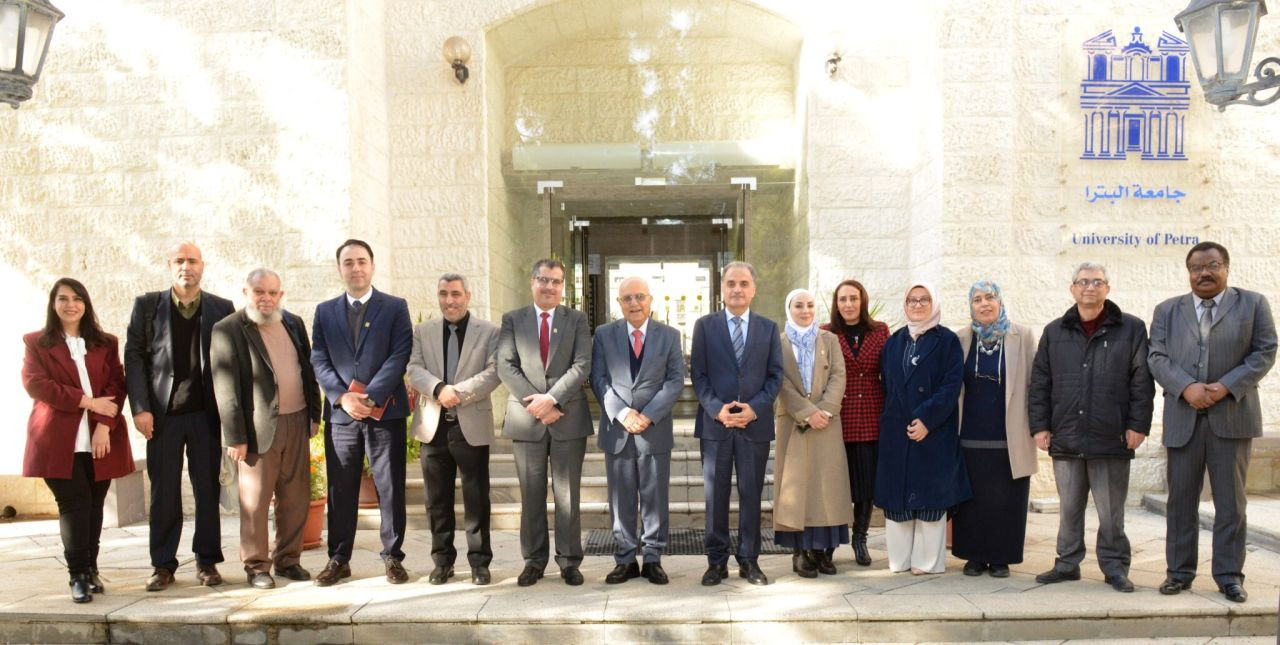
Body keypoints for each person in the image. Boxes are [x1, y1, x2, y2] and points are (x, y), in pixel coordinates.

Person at [1149, 242, 1276, 603]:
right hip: (1183, 418)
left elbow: (1265, 351)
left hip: (1232, 418)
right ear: (1188, 272)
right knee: (1180, 502)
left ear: (1226, 268)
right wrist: (1186, 387)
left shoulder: (1252, 304)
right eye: (1196, 268)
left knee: (1231, 504)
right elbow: (1156, 355)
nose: (1204, 273)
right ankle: (1179, 573)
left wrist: (1224, 387)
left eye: (1212, 265)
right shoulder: (1167, 310)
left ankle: (1229, 575)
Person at [1030, 262, 1154, 593]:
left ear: (1107, 289)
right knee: (1069, 508)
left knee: (1111, 512)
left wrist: (1138, 425)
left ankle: (1114, 566)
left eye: (1097, 281)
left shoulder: (1131, 329)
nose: (1089, 287)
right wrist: (1039, 426)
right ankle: (1067, 563)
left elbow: (1142, 381)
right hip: (1066, 435)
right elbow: (1040, 382)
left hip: (1111, 436)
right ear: (1072, 289)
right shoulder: (1055, 331)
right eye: (1083, 282)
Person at [124, 241, 234, 591]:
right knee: (164, 492)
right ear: (169, 265)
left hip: (205, 415)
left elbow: (231, 364)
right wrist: (140, 408)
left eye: (192, 261)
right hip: (162, 416)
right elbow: (134, 358)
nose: (186, 266)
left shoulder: (221, 308)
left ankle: (207, 562)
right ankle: (163, 565)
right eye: (179, 261)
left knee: (207, 491)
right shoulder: (147, 306)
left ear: (203, 265)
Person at [22, 278, 134, 603]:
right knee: (74, 504)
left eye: (77, 298)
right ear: (53, 304)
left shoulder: (105, 342)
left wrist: (103, 425)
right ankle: (77, 576)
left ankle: (91, 569)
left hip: (100, 438)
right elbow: (36, 384)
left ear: (86, 304)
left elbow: (117, 384)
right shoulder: (36, 343)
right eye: (63, 298)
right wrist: (87, 402)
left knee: (95, 504)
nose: (71, 304)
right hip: (57, 441)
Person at [310, 239, 413, 586]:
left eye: (362, 261)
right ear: (340, 268)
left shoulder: (395, 307)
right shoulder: (324, 311)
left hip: (385, 414)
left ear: (372, 266)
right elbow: (318, 359)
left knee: (390, 486)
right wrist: (342, 397)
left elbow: (400, 355)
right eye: (349, 262)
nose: (356, 268)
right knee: (341, 488)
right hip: (341, 417)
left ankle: (393, 557)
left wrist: (368, 396)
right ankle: (339, 558)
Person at [210, 269, 321, 589]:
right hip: (257, 430)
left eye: (273, 292)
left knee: (295, 496)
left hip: (298, 421)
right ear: (246, 291)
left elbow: (307, 370)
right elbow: (225, 388)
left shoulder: (293, 323)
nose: (267, 298)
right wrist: (235, 437)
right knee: (255, 501)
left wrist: (314, 414)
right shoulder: (228, 329)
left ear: (281, 295)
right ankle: (257, 566)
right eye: (260, 292)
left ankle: (289, 559)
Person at [497, 259, 593, 587]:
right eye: (543, 279)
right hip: (527, 421)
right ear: (532, 282)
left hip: (567, 418)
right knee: (531, 494)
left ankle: (569, 561)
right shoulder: (513, 319)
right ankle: (534, 561)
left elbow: (582, 365)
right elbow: (506, 366)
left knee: (568, 495)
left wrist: (552, 399)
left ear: (563, 286)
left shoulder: (577, 320)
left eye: (556, 281)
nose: (549, 286)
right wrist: (538, 405)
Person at [691, 261, 784, 586]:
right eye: (731, 283)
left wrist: (755, 409)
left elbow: (775, 377)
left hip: (753, 426)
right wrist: (717, 409)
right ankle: (716, 562)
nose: (737, 289)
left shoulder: (769, 328)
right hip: (715, 427)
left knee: (751, 494)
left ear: (753, 289)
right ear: (722, 287)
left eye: (744, 283)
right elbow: (699, 376)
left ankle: (749, 560)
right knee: (715, 496)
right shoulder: (704, 326)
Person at [406, 273, 501, 586]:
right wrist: (438, 388)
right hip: (433, 427)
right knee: (437, 500)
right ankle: (442, 561)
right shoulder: (423, 330)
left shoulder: (488, 331)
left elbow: (494, 372)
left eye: (456, 294)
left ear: (468, 295)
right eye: (444, 294)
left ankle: (479, 563)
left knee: (476, 497)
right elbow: (413, 369)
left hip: (470, 423)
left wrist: (457, 393)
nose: (450, 300)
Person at [589, 276, 685, 585]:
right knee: (621, 498)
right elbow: (599, 379)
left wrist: (648, 414)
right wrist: (621, 412)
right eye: (627, 298)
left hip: (653, 429)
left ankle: (653, 558)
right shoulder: (604, 335)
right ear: (619, 304)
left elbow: (674, 380)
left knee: (655, 497)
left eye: (639, 297)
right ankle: (626, 558)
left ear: (650, 300)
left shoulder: (670, 335)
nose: (634, 303)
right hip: (618, 431)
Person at [875, 282, 969, 575]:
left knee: (930, 500)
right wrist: (899, 421)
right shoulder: (894, 342)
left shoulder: (947, 341)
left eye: (924, 299)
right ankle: (899, 560)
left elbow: (951, 385)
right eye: (912, 300)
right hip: (898, 431)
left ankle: (927, 562)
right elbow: (887, 386)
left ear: (934, 303)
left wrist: (927, 419)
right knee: (898, 502)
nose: (917, 305)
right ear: (904, 305)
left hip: (934, 429)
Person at [950, 280, 1038, 578]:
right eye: (977, 299)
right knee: (971, 501)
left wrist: (1040, 427)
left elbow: (1034, 386)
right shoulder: (960, 338)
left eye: (990, 297)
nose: (984, 304)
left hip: (1009, 436)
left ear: (999, 301)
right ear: (970, 306)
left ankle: (1001, 557)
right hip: (970, 435)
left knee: (1006, 500)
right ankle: (974, 556)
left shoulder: (1022, 336)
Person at [772, 288, 849, 578]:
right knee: (796, 487)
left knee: (826, 487)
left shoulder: (830, 340)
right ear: (788, 309)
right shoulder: (777, 343)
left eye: (810, 305)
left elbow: (839, 375)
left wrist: (825, 410)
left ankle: (822, 551)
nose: (805, 310)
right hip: (794, 422)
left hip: (827, 422)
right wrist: (807, 413)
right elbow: (779, 380)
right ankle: (800, 551)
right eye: (798, 305)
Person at [822, 278, 889, 567]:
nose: (848, 304)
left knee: (866, 483)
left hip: (872, 413)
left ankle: (860, 538)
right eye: (842, 299)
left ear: (862, 300)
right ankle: (830, 545)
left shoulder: (880, 331)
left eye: (853, 298)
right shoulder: (825, 332)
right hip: (839, 414)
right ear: (836, 304)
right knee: (838, 484)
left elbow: (888, 371)